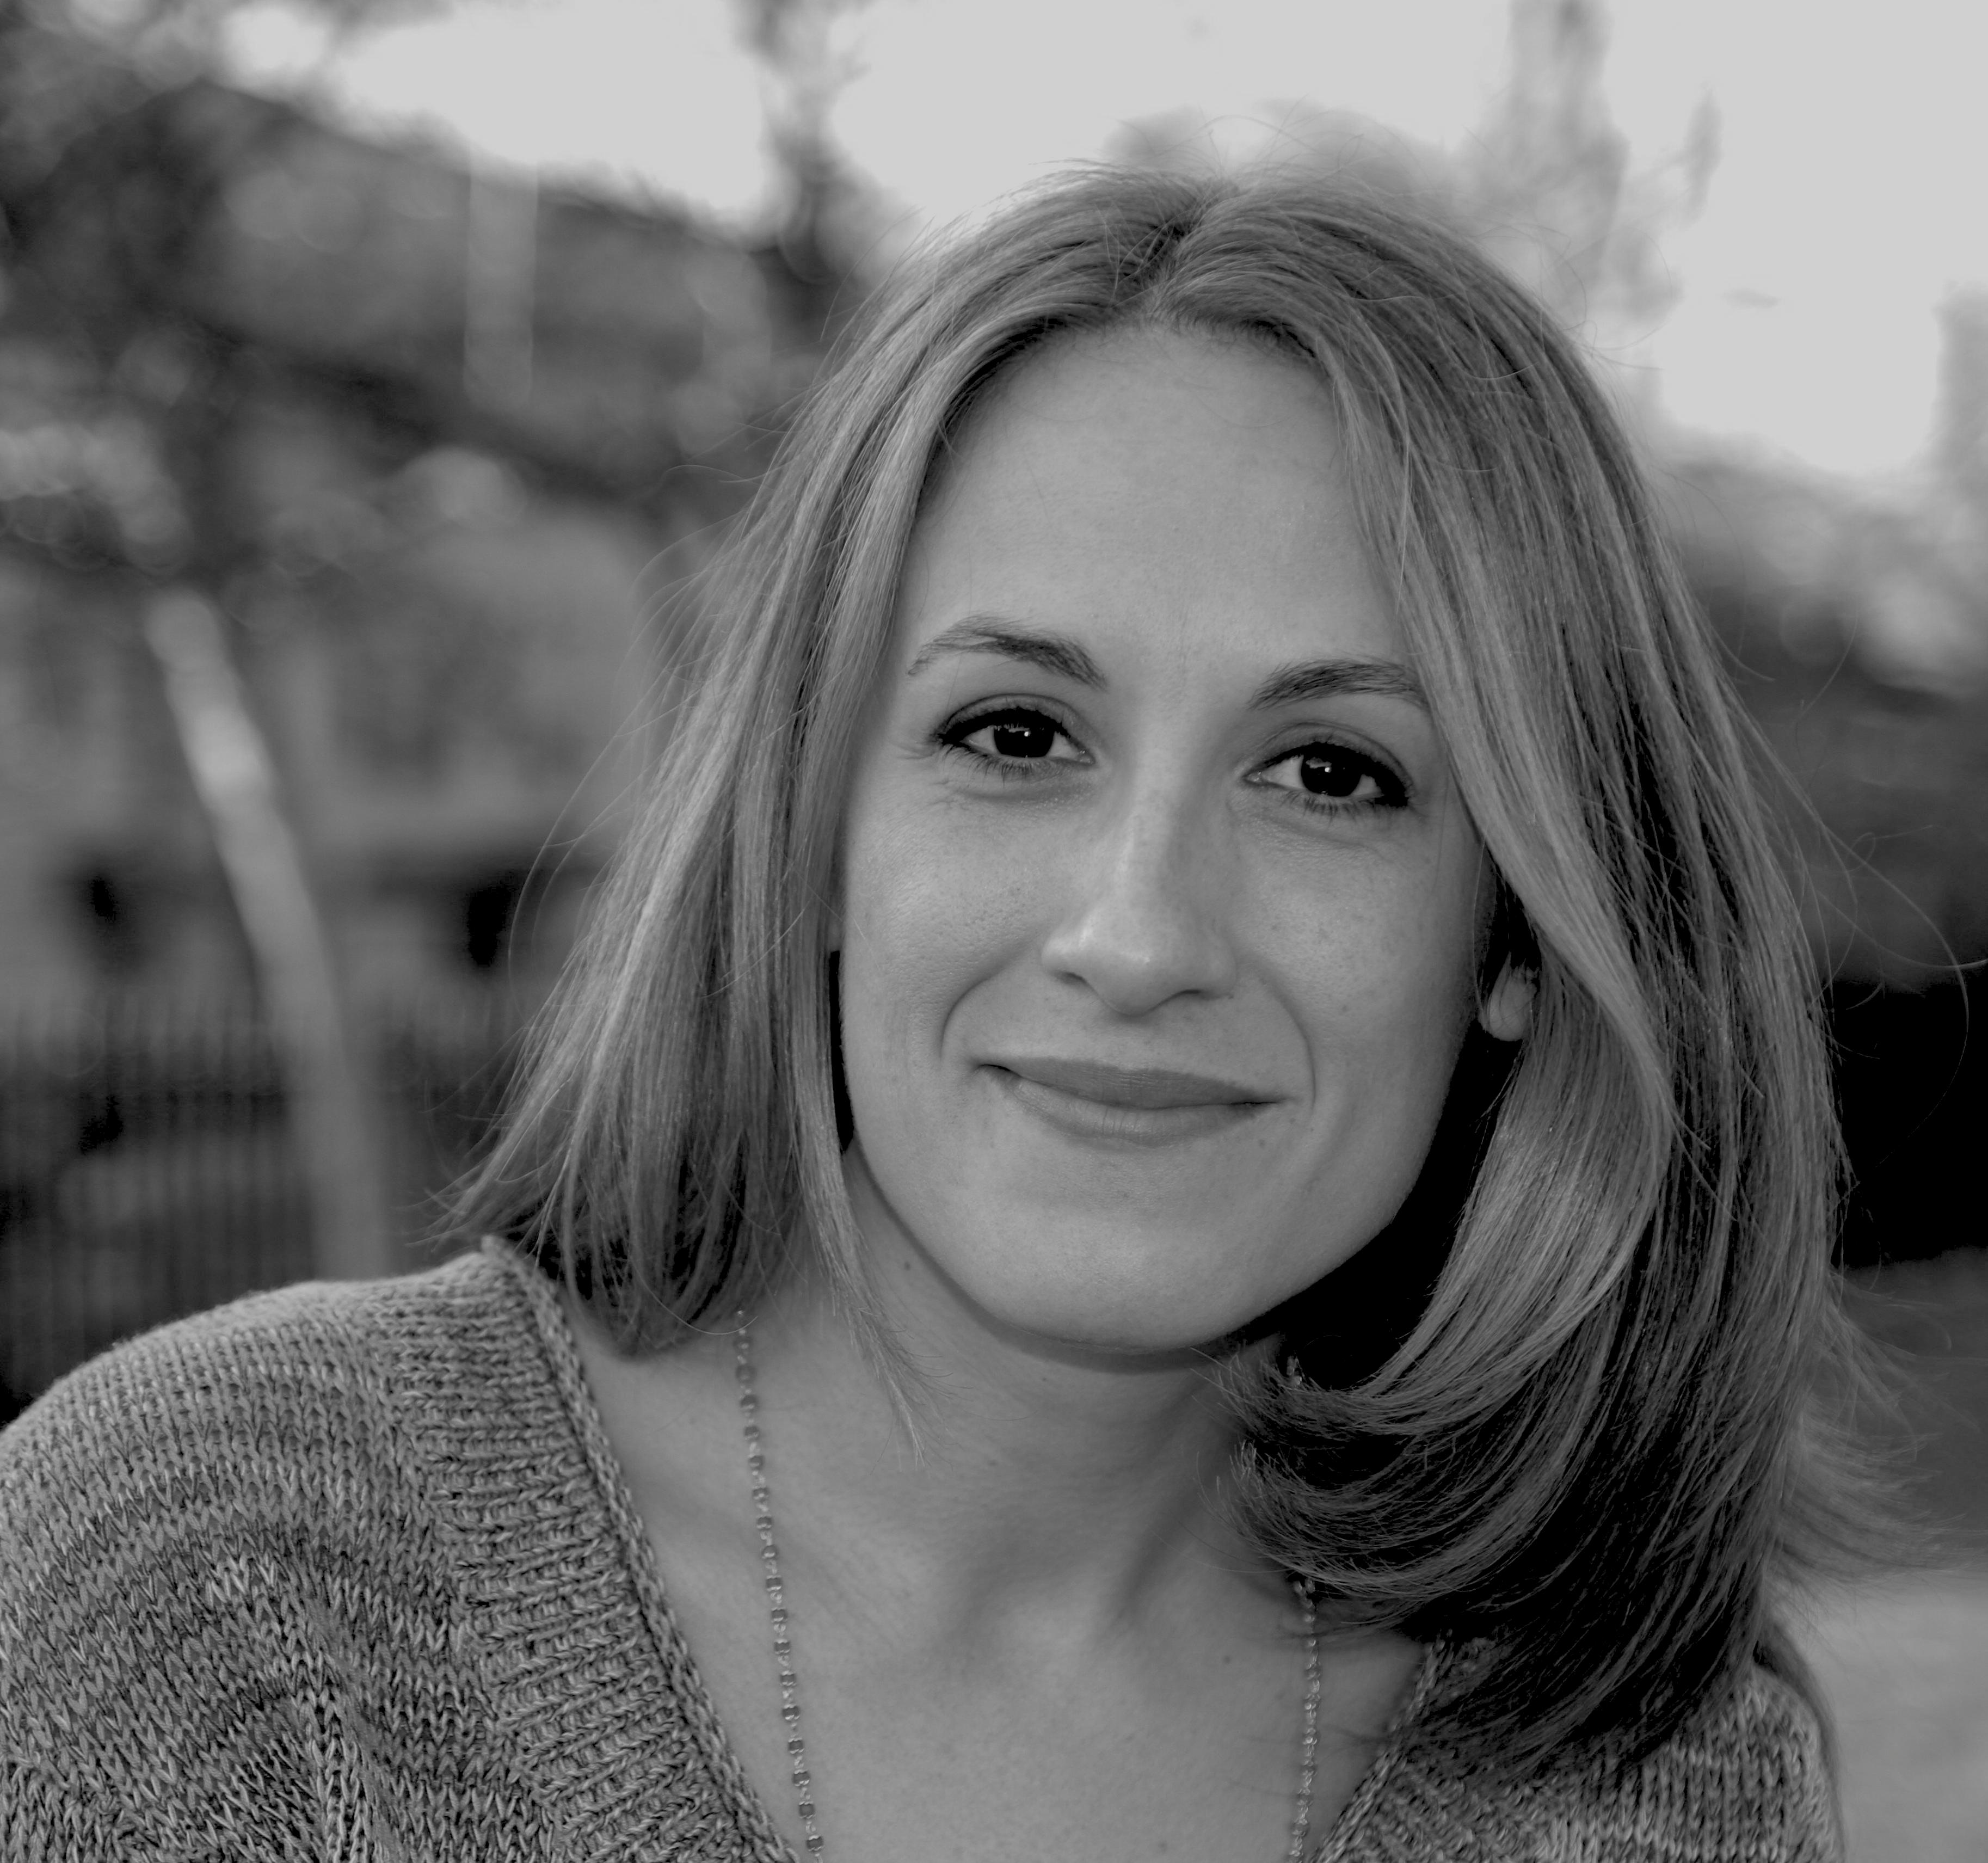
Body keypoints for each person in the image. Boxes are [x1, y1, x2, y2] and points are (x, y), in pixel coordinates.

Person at [0, 167, 1855, 1859]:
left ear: (1519, 935)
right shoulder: (210, 1596)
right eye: (1017, 734)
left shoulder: (1648, 1791)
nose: (1138, 935)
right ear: (808, 835)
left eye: (1333, 774)